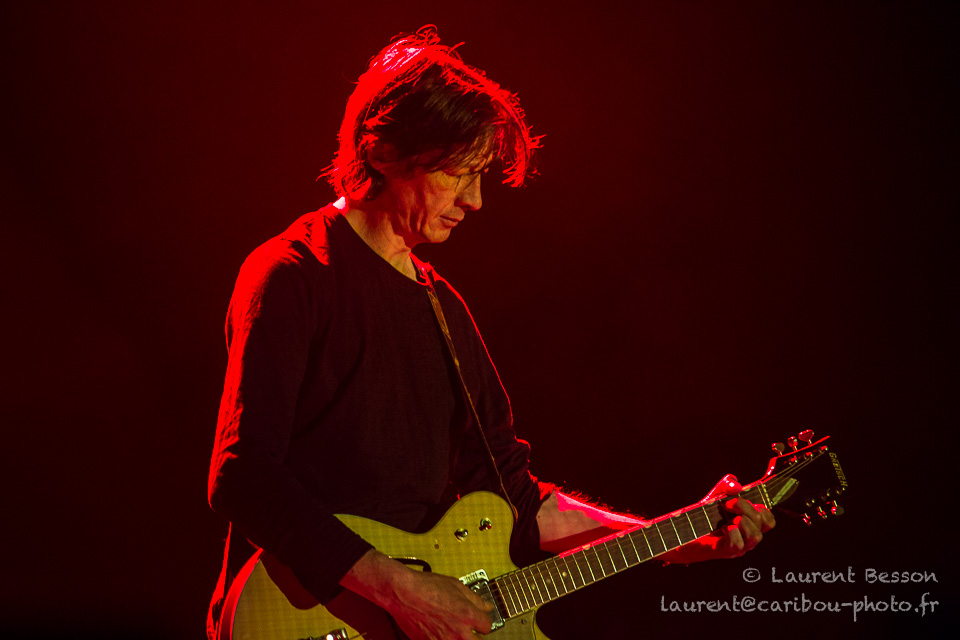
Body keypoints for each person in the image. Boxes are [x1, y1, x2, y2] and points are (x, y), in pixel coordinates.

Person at [207, 25, 774, 640]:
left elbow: (517, 503)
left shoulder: (444, 310)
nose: (476, 200)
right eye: (458, 172)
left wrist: (674, 538)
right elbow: (243, 477)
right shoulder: (293, 274)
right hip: (306, 618)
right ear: (383, 151)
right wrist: (404, 592)